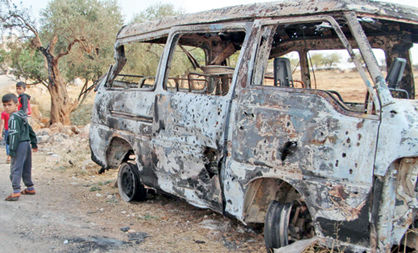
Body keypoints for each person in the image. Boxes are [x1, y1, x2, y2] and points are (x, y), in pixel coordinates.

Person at [2, 93, 38, 201]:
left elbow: (14, 135)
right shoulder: (21, 115)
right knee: (26, 167)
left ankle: (16, 191)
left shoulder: (13, 118)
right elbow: (30, 129)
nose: (7, 107)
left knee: (15, 167)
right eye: (4, 105)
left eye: (9, 104)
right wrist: (34, 142)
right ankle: (30, 187)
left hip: (19, 144)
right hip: (26, 144)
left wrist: (12, 151)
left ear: (16, 104)